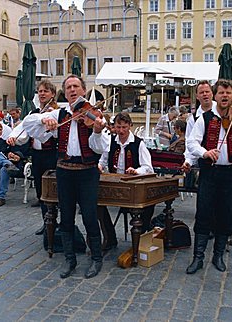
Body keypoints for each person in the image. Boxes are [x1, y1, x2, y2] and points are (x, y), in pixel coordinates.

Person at [23, 75, 109, 279]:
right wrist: (44, 119)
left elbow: (101, 147)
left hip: (87, 172)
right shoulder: (59, 113)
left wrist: (96, 131)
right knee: (66, 217)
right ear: (65, 92)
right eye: (68, 87)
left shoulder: (93, 114)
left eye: (76, 86)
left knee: (89, 216)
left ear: (83, 90)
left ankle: (96, 259)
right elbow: (28, 123)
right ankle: (70, 260)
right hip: (64, 171)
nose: (72, 90)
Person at [186, 79, 232, 274]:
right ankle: (198, 257)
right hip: (210, 172)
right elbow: (192, 143)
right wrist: (205, 153)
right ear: (215, 96)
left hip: (231, 172)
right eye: (221, 93)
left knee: (227, 213)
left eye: (228, 93)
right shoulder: (205, 118)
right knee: (204, 212)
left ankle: (218, 256)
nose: (225, 96)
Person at [7, 79, 59, 235]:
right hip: (37, 155)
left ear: (53, 94)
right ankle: (47, 222)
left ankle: (56, 223)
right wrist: (13, 137)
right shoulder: (33, 113)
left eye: (45, 91)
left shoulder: (56, 112)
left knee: (53, 191)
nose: (42, 94)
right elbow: (23, 129)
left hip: (52, 155)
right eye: (40, 91)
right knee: (41, 191)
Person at [97, 112, 154, 250]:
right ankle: (109, 237)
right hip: (113, 184)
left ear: (130, 126)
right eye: (118, 127)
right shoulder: (110, 141)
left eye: (124, 127)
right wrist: (99, 166)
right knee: (96, 203)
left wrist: (136, 171)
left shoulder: (139, 144)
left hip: (132, 185)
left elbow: (148, 167)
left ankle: (140, 235)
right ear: (114, 127)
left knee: (148, 205)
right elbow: (102, 161)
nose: (121, 131)